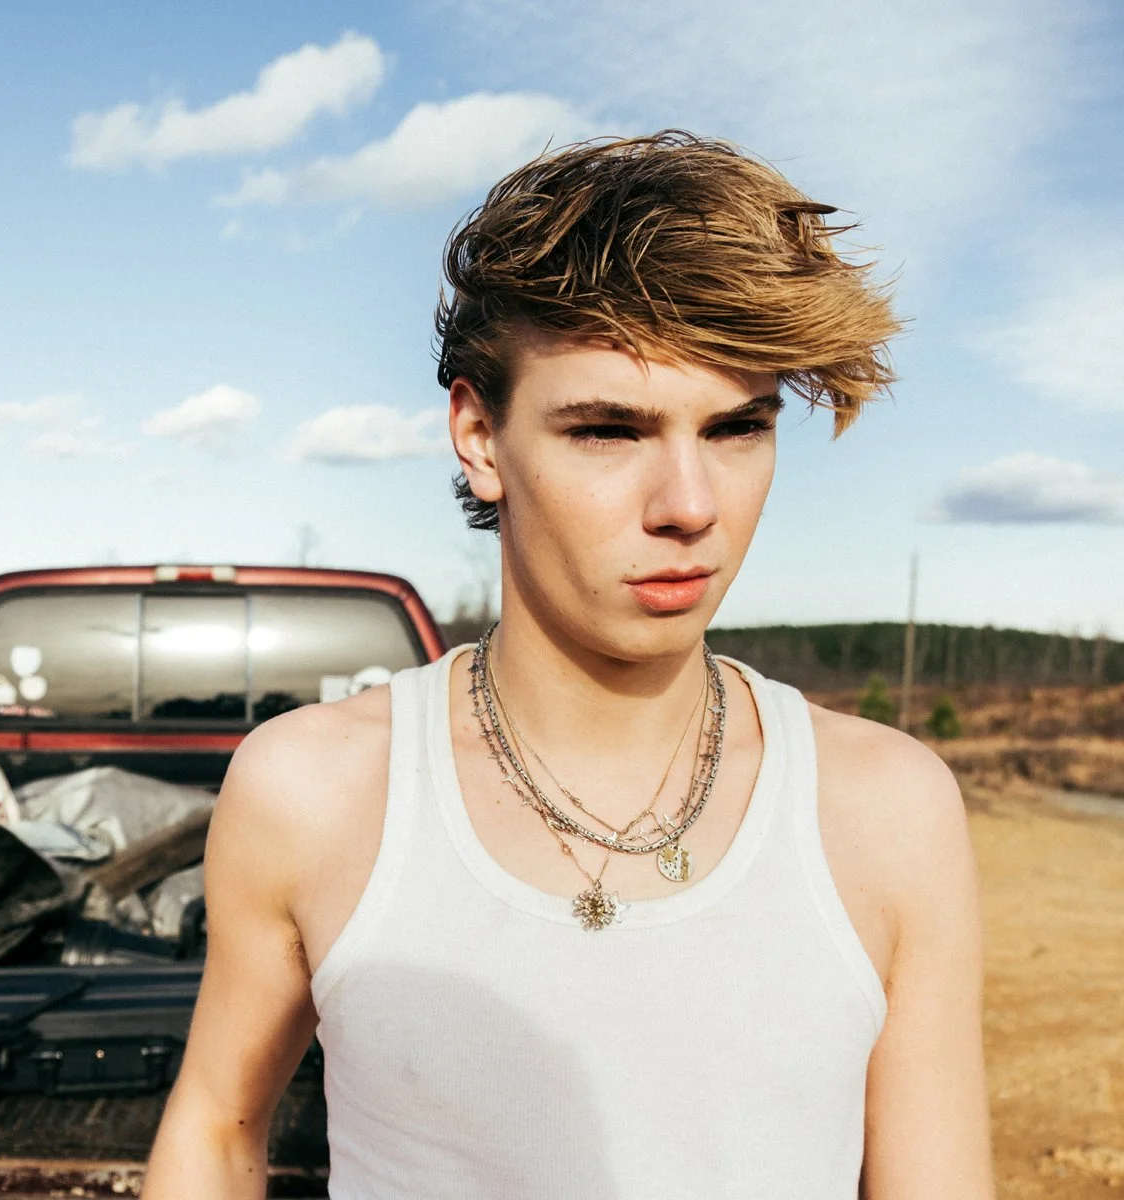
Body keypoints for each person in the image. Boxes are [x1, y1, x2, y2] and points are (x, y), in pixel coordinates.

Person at [142, 131, 992, 1198]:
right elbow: (216, 1133)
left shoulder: (888, 810)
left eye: (737, 428)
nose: (690, 505)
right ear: (479, 437)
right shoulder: (314, 792)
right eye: (607, 430)